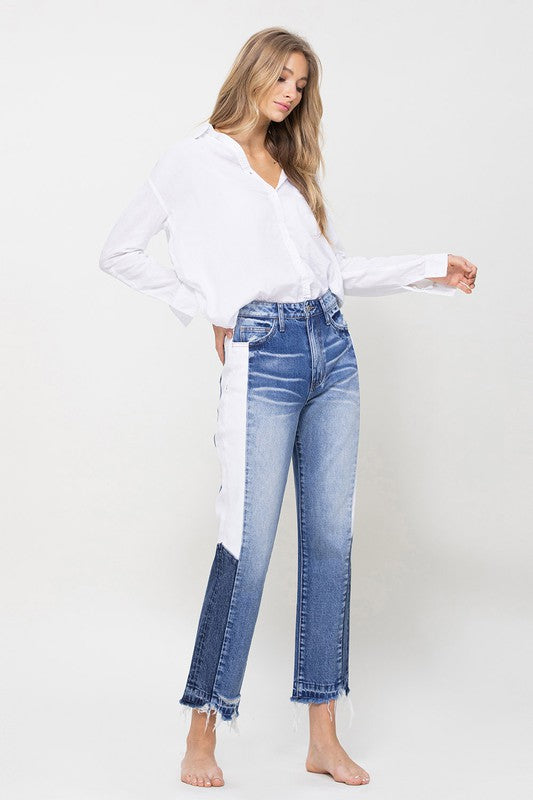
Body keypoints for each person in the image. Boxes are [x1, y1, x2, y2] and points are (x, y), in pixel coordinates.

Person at [98, 26, 477, 789]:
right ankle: (202, 732)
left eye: (300, 84)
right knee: (246, 546)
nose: (290, 92)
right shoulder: (190, 161)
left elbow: (329, 274)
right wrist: (205, 308)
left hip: (331, 351)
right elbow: (119, 251)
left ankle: (322, 738)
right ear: (252, 71)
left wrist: (427, 268)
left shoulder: (289, 168)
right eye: (282, 76)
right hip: (261, 357)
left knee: (331, 544)